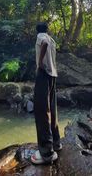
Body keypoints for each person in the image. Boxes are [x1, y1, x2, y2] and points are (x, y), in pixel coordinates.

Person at [31, 22, 62, 165]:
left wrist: (39, 64)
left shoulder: (41, 36)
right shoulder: (52, 39)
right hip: (53, 76)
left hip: (44, 74)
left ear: (38, 30)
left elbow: (43, 43)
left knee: (42, 110)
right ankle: (56, 143)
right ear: (48, 29)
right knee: (52, 109)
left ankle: (47, 152)